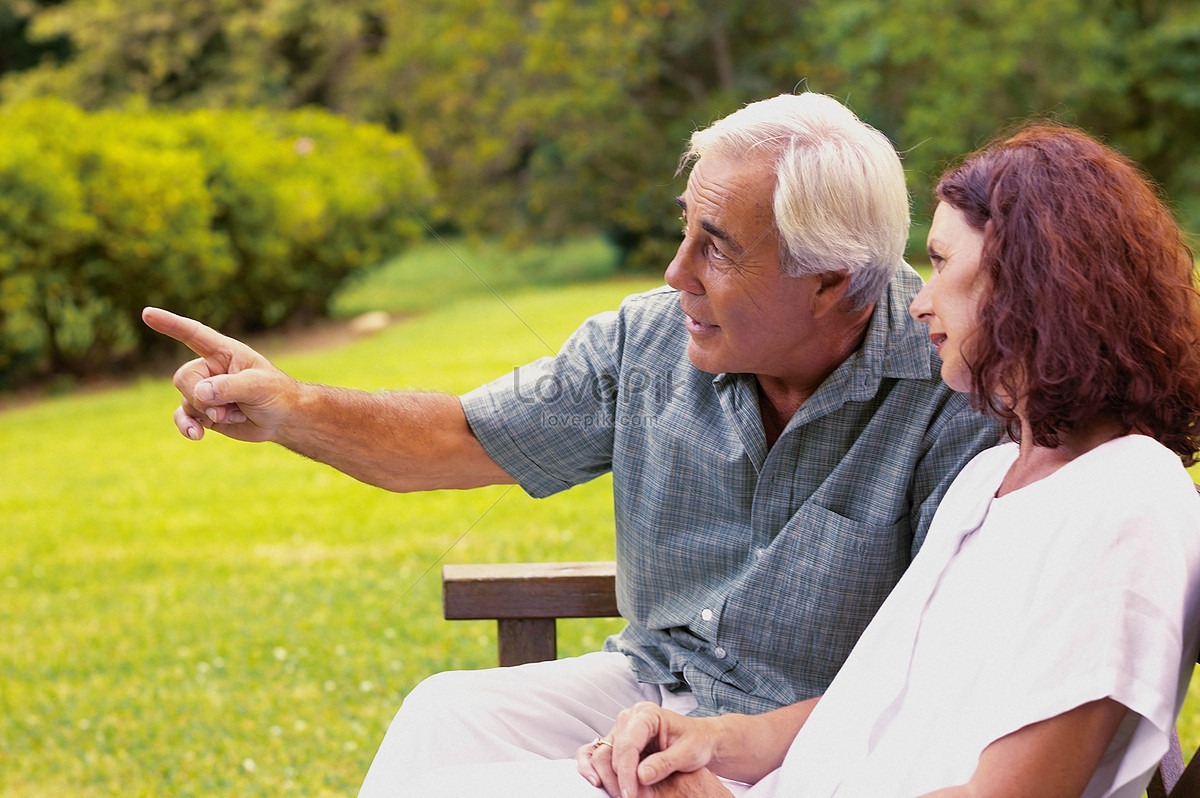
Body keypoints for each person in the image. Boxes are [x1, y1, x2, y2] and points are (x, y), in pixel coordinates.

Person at [141, 93, 1000, 794]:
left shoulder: (950, 390)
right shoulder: (649, 343)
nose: (676, 273)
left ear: (832, 285)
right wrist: (290, 405)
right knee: (443, 715)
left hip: (824, 745)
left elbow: (936, 678)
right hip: (650, 685)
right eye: (685, 229)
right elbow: (456, 437)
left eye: (717, 248)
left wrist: (714, 747)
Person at [569, 124, 1200, 798]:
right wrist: (710, 740)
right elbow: (881, 703)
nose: (920, 301)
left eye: (941, 264)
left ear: (1033, 285)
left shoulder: (1127, 502)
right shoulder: (995, 478)